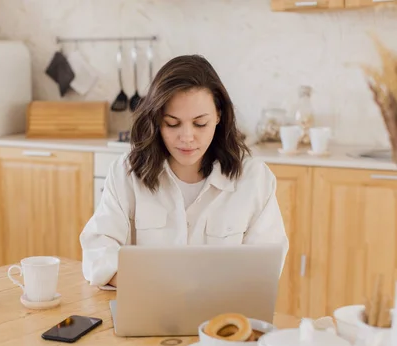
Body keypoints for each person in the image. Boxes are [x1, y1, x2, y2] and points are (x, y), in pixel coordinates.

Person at [79, 54, 289, 288]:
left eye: (200, 123)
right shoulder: (126, 173)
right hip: (148, 312)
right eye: (172, 123)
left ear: (219, 116)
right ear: (156, 120)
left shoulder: (254, 179)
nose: (187, 137)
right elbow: (96, 252)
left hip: (223, 317)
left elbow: (266, 267)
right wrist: (157, 285)